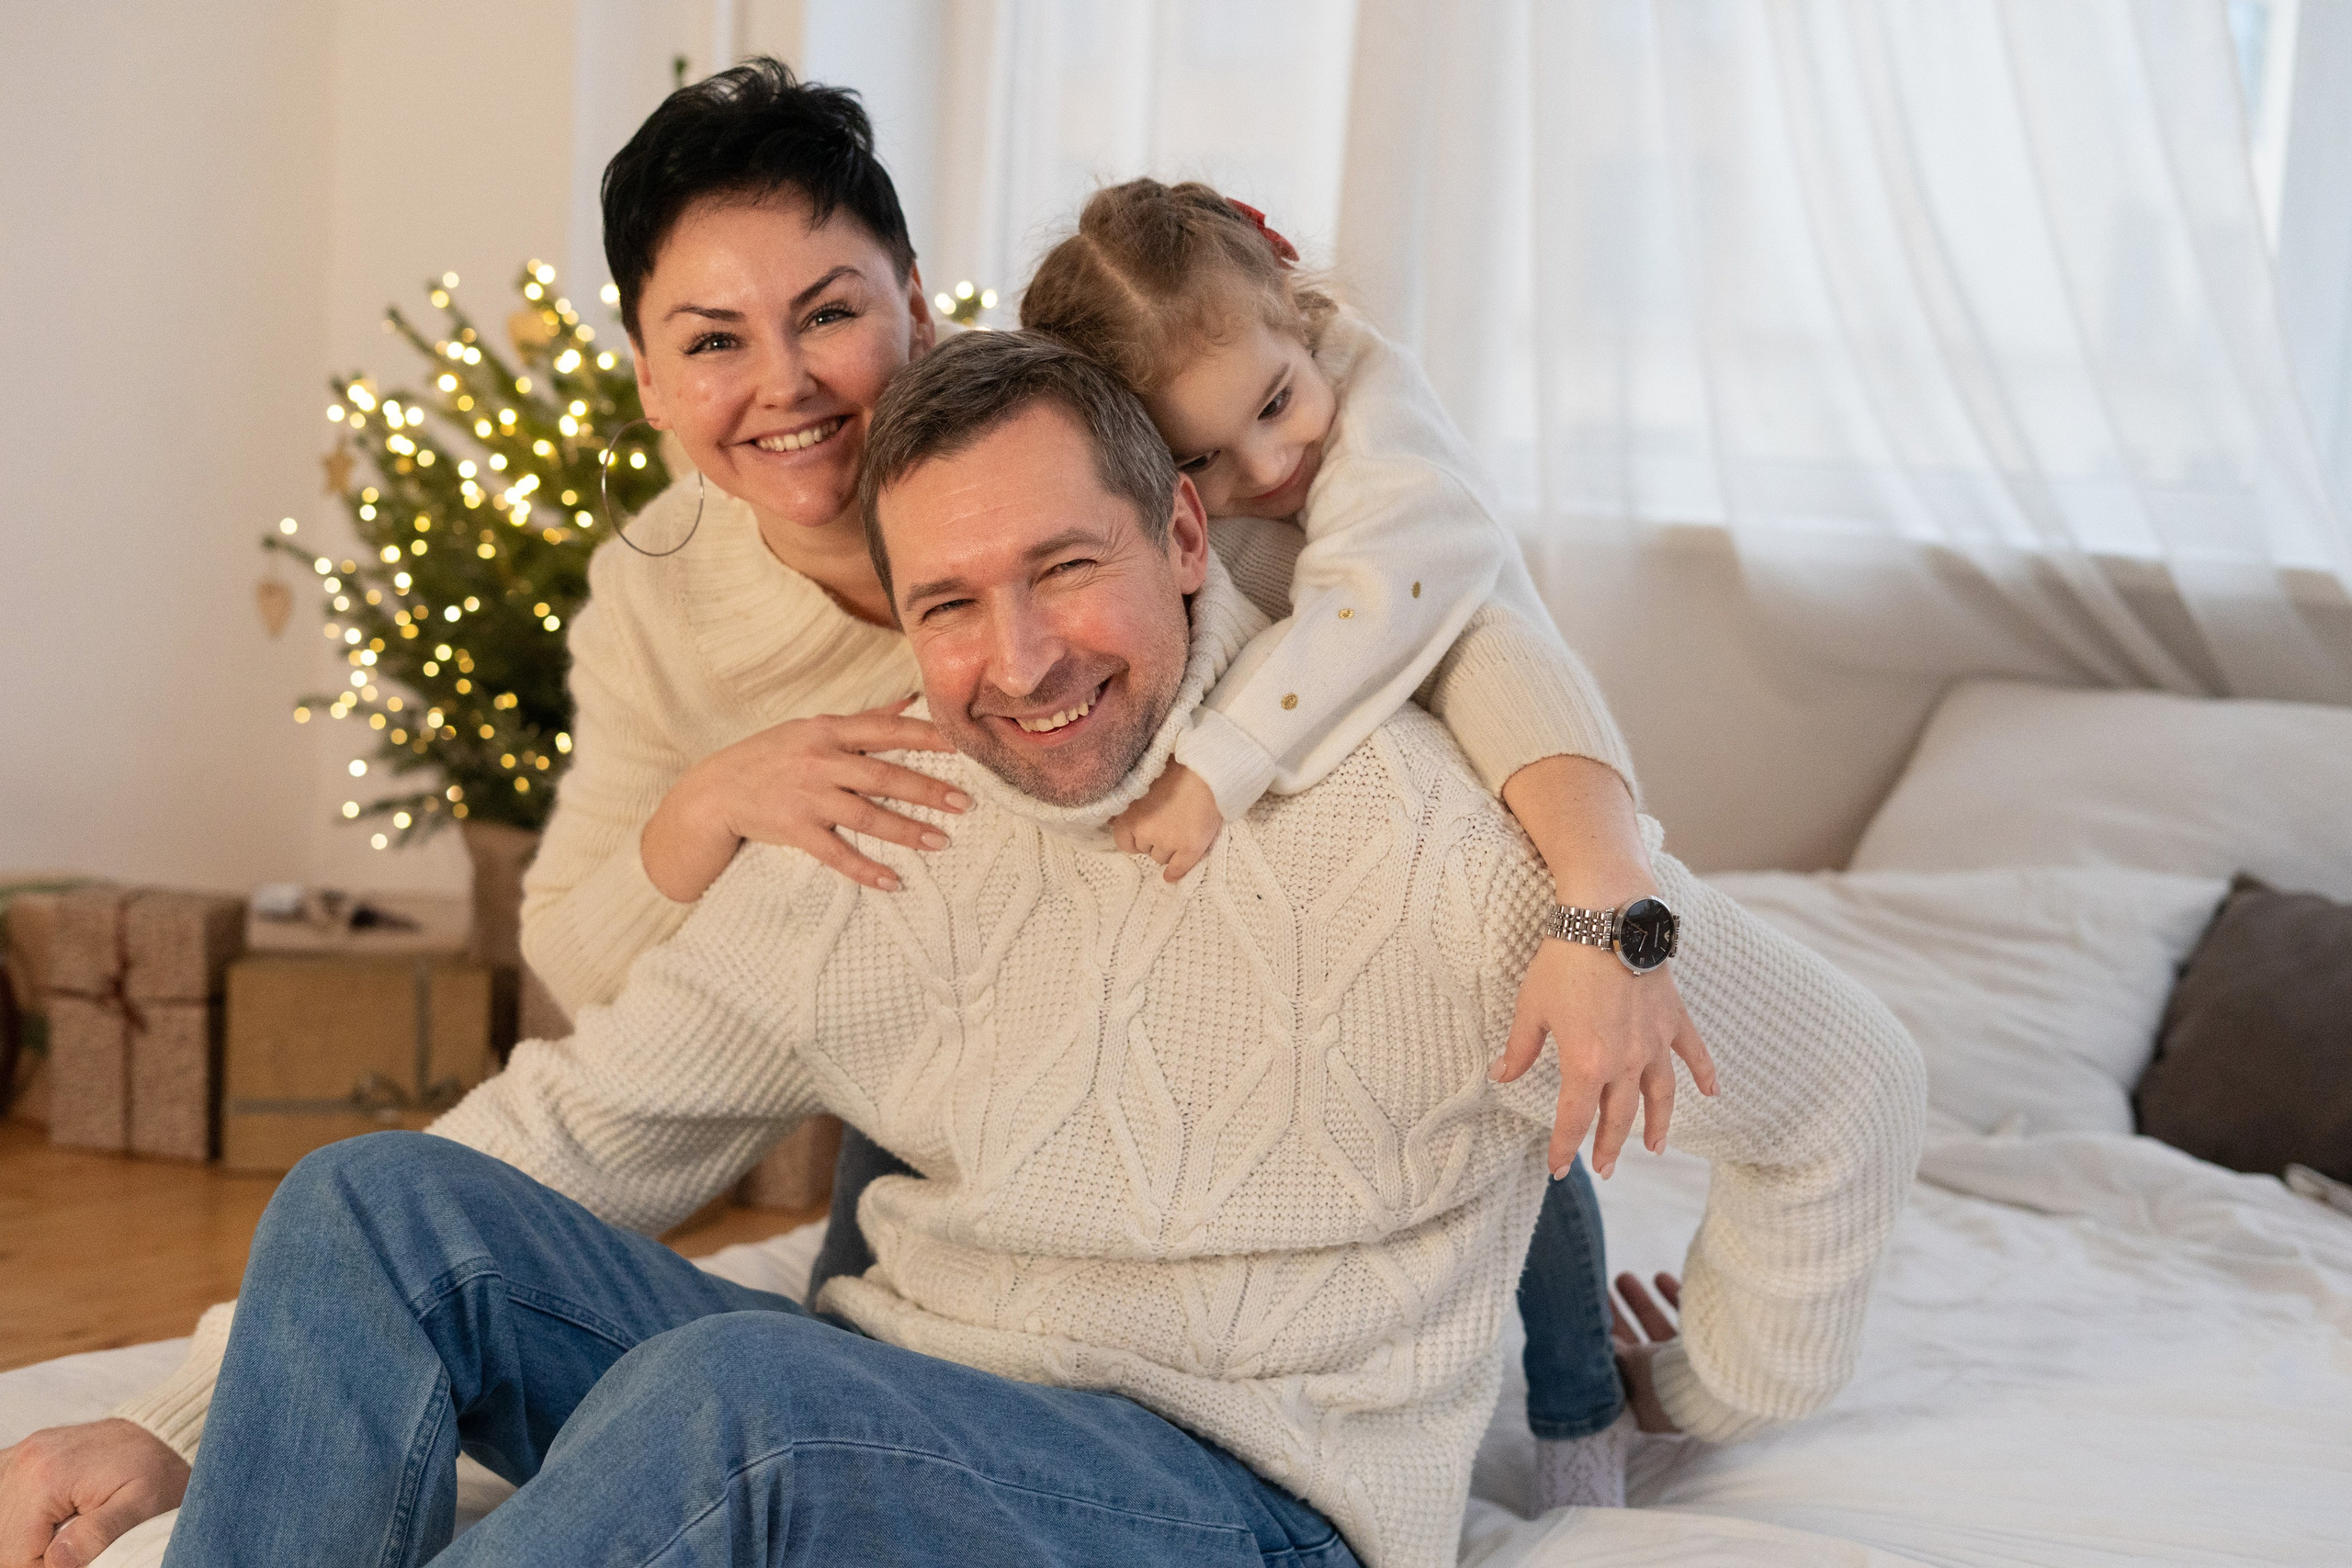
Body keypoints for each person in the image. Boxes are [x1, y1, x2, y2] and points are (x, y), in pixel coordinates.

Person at [148, 331, 1923, 1567]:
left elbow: (1849, 1089)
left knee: (738, 1402)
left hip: (1242, 1509)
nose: (1018, 660)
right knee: (372, 1205)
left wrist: (1695, 1388)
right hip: (898, 1405)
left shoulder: (1442, 849)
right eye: (946, 603)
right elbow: (575, 1131)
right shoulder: (895, 817)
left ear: (1179, 535)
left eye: (1063, 569)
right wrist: (167, 1429)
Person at [514, 62, 1708, 1501]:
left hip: (1241, 979)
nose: (784, 381)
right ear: (646, 373)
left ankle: (1576, 1408)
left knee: (1504, 1083)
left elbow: (1453, 617)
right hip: (953, 1030)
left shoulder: (1076, 437)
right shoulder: (663, 602)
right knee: (854, 1291)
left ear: (915, 298)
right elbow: (583, 967)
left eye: (829, 310)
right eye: (712, 339)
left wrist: (1602, 893)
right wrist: (711, 800)